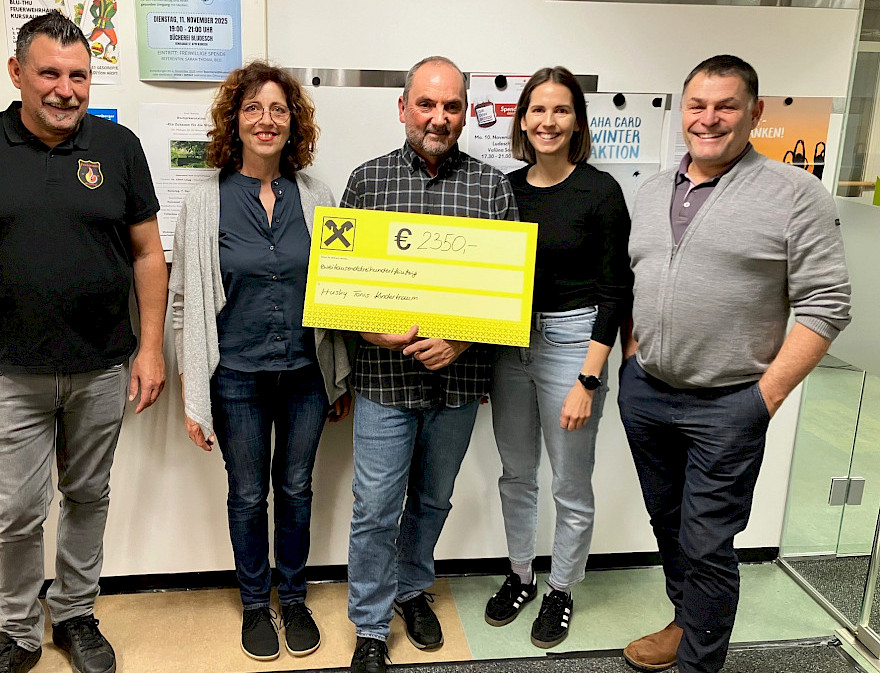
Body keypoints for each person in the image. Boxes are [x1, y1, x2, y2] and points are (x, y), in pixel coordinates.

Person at [0, 11, 167, 673]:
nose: (65, 89)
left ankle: (75, 613)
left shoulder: (118, 147)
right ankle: (18, 631)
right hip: (8, 370)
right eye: (49, 73)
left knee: (88, 497)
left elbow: (148, 253)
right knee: (15, 513)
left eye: (79, 75)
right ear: (16, 73)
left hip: (101, 366)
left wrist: (150, 348)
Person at [618, 54, 851, 673]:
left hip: (730, 404)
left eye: (726, 106)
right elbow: (635, 281)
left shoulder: (794, 193)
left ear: (755, 112)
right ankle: (683, 623)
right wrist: (632, 360)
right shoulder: (652, 191)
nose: (709, 118)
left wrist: (763, 398)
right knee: (669, 525)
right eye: (697, 105)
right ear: (683, 110)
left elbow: (828, 303)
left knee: (706, 542)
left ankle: (700, 663)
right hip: (648, 395)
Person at [169, 61, 351, 663]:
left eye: (278, 109)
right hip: (236, 377)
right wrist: (194, 392)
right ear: (235, 120)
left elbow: (339, 291)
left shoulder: (317, 196)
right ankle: (255, 604)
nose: (265, 120)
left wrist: (340, 373)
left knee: (295, 488)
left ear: (293, 121)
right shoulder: (205, 200)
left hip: (305, 375)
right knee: (248, 494)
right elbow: (184, 301)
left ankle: (293, 597)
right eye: (252, 109)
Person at [342, 56, 518, 673]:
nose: (438, 118)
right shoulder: (367, 183)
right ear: (403, 108)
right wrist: (370, 328)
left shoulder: (492, 189)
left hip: (459, 382)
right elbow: (341, 287)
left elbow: (509, 294)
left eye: (451, 106)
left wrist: (460, 342)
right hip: (384, 381)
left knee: (433, 500)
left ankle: (412, 590)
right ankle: (370, 625)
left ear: (465, 114)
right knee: (374, 508)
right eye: (426, 104)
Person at [484, 67, 631, 647]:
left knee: (570, 482)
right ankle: (521, 575)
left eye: (561, 110)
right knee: (516, 474)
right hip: (509, 345)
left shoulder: (601, 192)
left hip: (573, 345)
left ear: (577, 121)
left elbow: (615, 291)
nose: (548, 121)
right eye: (538, 110)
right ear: (522, 120)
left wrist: (588, 380)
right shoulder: (505, 190)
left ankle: (562, 589)